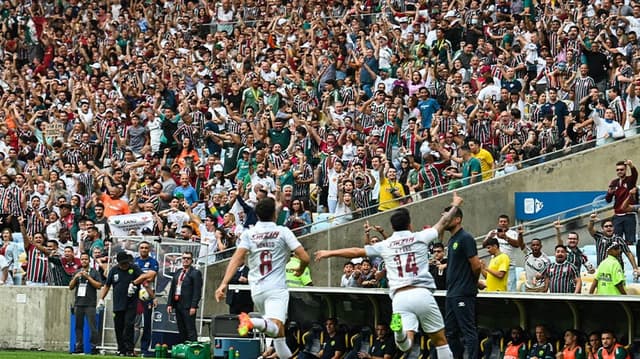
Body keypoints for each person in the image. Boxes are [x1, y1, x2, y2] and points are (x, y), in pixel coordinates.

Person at [315, 192, 465, 359]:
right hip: (421, 293)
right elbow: (443, 222)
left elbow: (356, 251)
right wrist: (456, 204)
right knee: (440, 341)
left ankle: (399, 333)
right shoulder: (420, 237)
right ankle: (400, 333)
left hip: (399, 298)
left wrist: (329, 252)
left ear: (392, 227)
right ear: (409, 224)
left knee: (406, 344)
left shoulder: (385, 244)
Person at [215, 198, 311, 359]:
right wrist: (300, 269)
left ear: (256, 215)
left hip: (257, 291)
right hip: (276, 289)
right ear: (275, 214)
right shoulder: (283, 232)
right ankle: (252, 322)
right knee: (274, 327)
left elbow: (236, 259)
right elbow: (305, 257)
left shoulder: (249, 234)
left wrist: (224, 283)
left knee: (279, 337)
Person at [444, 199, 481, 359]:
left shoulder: (465, 238)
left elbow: (477, 265)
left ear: (457, 219)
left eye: (447, 217)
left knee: (468, 330)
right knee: (450, 332)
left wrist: (471, 282)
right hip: (452, 293)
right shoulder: (452, 240)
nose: (444, 220)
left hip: (463, 292)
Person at [98, 252, 152, 357]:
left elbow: (146, 276)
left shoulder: (134, 268)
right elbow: (107, 285)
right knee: (118, 327)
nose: (125, 265)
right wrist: (101, 299)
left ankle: (129, 349)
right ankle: (121, 349)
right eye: (122, 264)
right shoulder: (114, 270)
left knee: (129, 325)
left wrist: (134, 283)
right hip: (118, 304)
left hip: (131, 303)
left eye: (126, 263)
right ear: (118, 263)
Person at [69, 252, 103, 355]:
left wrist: (88, 277)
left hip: (90, 304)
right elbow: (70, 287)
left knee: (92, 327)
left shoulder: (94, 272)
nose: (84, 261)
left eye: (86, 259)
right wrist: (76, 277)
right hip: (78, 303)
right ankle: (79, 348)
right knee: (78, 327)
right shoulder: (77, 272)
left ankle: (94, 348)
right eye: (82, 259)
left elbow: (99, 285)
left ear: (89, 261)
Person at [167, 251, 203, 343]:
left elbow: (197, 291)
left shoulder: (195, 273)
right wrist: (169, 304)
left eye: (188, 258)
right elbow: (172, 289)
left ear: (192, 261)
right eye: (184, 258)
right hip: (178, 303)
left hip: (188, 306)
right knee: (181, 329)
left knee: (190, 329)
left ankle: (193, 350)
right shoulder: (178, 272)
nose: (186, 260)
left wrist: (193, 306)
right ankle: (184, 349)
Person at [482, 215, 523, 291]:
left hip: (509, 266)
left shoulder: (512, 233)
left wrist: (505, 237)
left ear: (508, 223)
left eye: (505, 221)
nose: (503, 223)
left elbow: (517, 245)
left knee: (510, 290)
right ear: (498, 223)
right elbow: (484, 245)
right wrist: (489, 237)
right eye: (501, 221)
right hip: (495, 266)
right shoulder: (493, 232)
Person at [605, 160, 638, 253]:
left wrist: (631, 165)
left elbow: (635, 174)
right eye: (617, 170)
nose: (619, 171)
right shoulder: (614, 182)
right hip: (617, 216)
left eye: (622, 169)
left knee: (630, 241)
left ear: (625, 170)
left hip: (629, 214)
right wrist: (609, 193)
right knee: (616, 241)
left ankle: (631, 264)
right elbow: (608, 200)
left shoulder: (630, 180)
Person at [134, 241, 159, 357]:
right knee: (133, 324)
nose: (144, 249)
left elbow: (151, 276)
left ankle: (144, 349)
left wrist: (140, 278)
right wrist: (143, 277)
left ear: (149, 250)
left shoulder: (153, 262)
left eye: (146, 248)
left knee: (147, 324)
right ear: (139, 249)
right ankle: (130, 347)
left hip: (147, 296)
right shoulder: (134, 262)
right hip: (134, 296)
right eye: (142, 248)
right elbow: (132, 277)